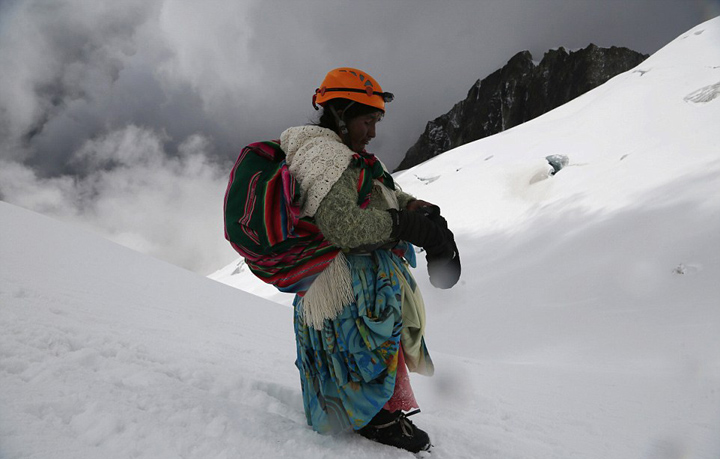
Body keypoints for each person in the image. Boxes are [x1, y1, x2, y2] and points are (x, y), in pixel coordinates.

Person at [280, 67, 456, 453]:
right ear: (341, 114)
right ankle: (372, 419)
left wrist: (417, 208)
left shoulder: (342, 154)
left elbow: (379, 191)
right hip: (337, 291)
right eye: (367, 120)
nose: (373, 131)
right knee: (360, 347)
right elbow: (344, 227)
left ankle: (376, 411)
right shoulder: (324, 157)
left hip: (347, 285)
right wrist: (410, 227)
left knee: (368, 346)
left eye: (376, 121)